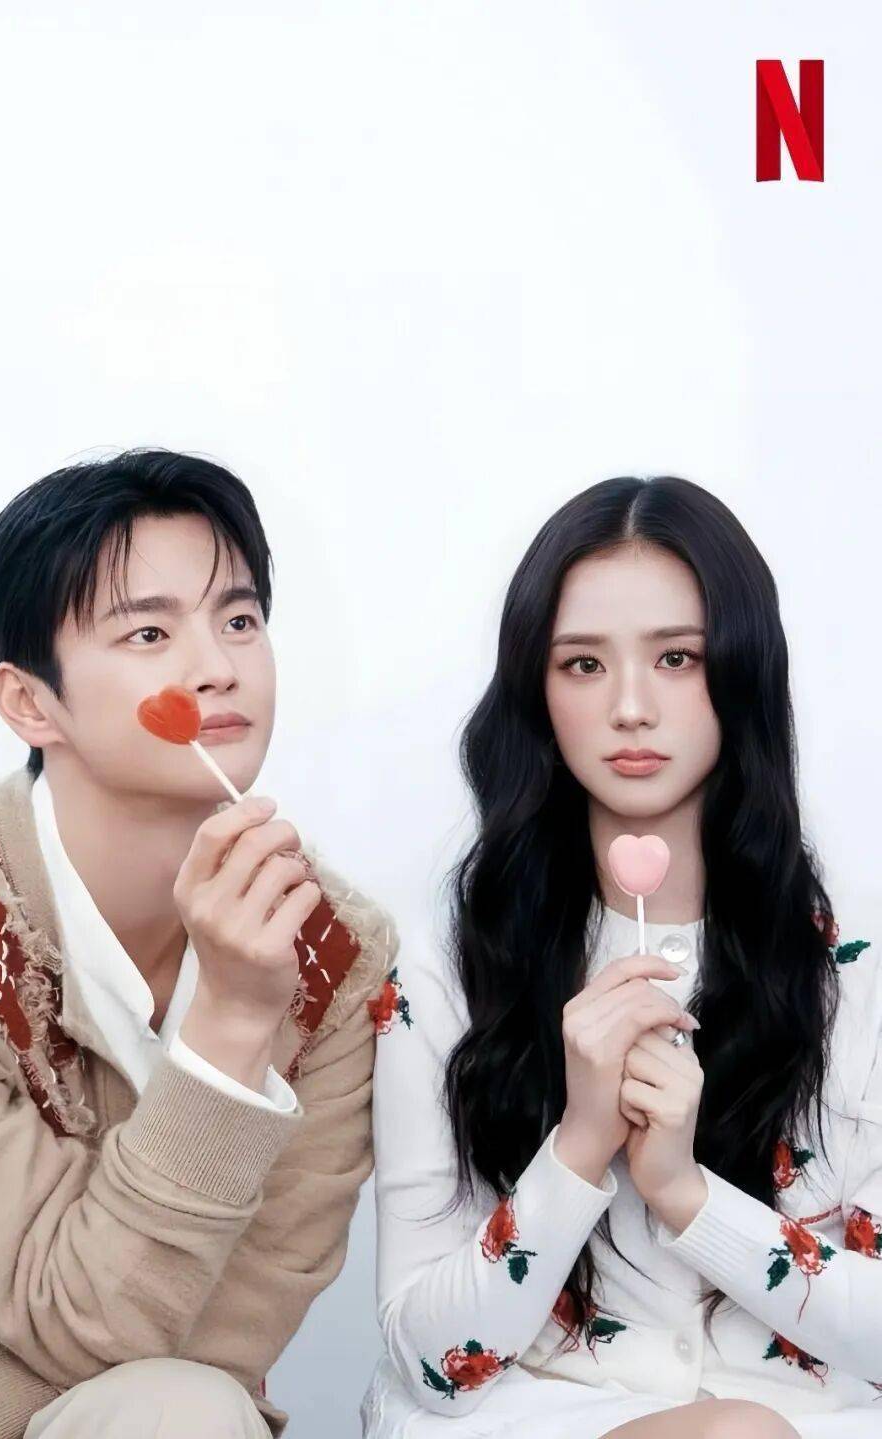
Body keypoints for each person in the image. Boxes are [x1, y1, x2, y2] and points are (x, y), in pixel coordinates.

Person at [0, 449, 396, 1439]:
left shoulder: (336, 957)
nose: (218, 665)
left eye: (240, 619)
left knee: (186, 1403)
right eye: (149, 632)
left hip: (120, 1407)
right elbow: (77, 1312)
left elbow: (238, 1324)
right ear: (30, 703)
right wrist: (229, 1025)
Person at [361, 475, 879, 1438]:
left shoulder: (857, 968)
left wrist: (685, 1192)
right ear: (536, 689)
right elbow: (433, 1365)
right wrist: (580, 1140)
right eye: (583, 664)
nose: (631, 707)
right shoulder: (445, 972)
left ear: (742, 672)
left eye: (677, 657)